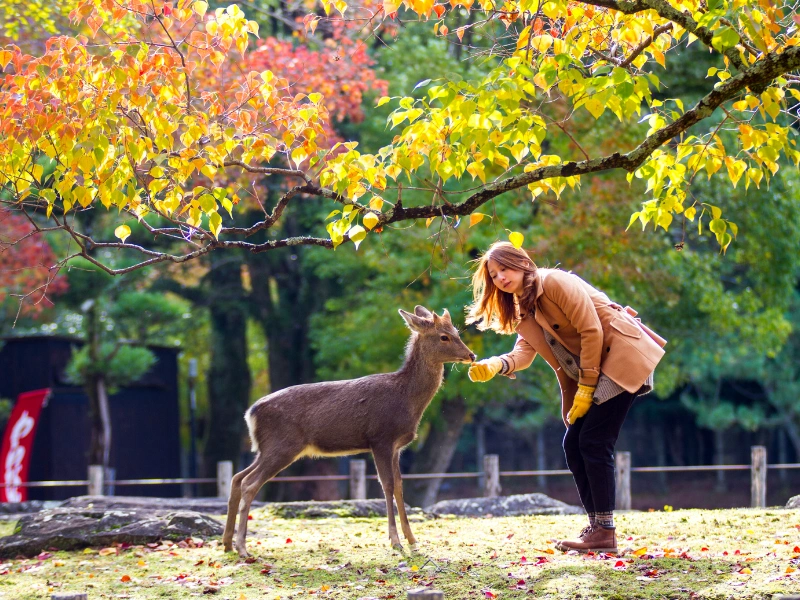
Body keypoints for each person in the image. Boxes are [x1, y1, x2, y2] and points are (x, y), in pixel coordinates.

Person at [465, 241, 666, 554]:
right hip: (596, 369)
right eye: (493, 275)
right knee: (574, 444)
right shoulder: (524, 307)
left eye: (504, 268)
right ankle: (597, 527)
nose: (500, 277)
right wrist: (497, 364)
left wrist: (586, 388)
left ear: (521, 262)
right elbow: (524, 352)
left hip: (621, 356)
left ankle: (604, 531)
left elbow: (592, 331)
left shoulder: (553, 282)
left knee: (594, 443)